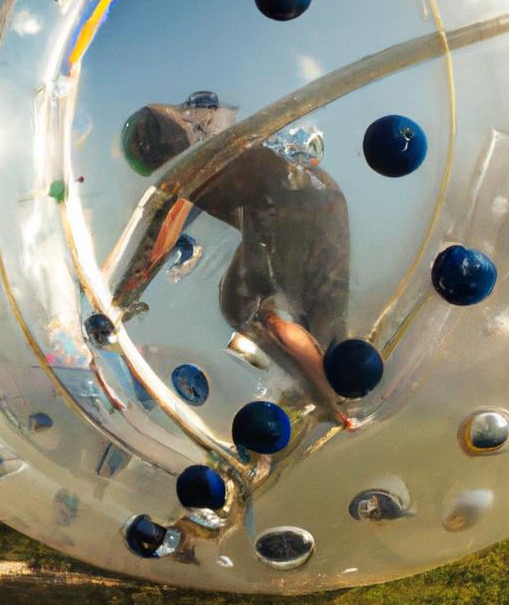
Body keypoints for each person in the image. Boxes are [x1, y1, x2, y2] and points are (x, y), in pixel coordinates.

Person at [120, 93, 351, 424]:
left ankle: (329, 399)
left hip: (290, 214)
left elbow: (158, 237)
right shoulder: (206, 135)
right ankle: (329, 392)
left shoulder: (194, 159)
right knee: (297, 313)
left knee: (256, 312)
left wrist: (125, 294)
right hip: (314, 202)